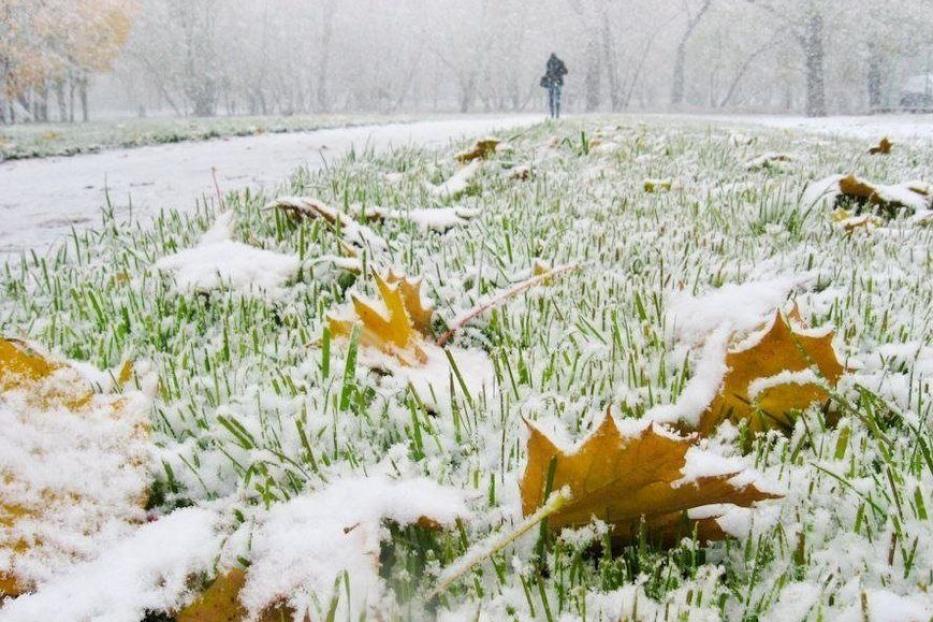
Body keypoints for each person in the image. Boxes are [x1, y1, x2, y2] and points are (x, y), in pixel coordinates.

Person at [540, 53, 568, 119]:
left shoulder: (549, 62)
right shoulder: (559, 62)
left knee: (551, 99)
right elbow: (565, 71)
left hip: (552, 82)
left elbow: (548, 72)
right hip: (557, 82)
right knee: (557, 98)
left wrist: (549, 76)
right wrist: (559, 74)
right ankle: (556, 115)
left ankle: (553, 114)